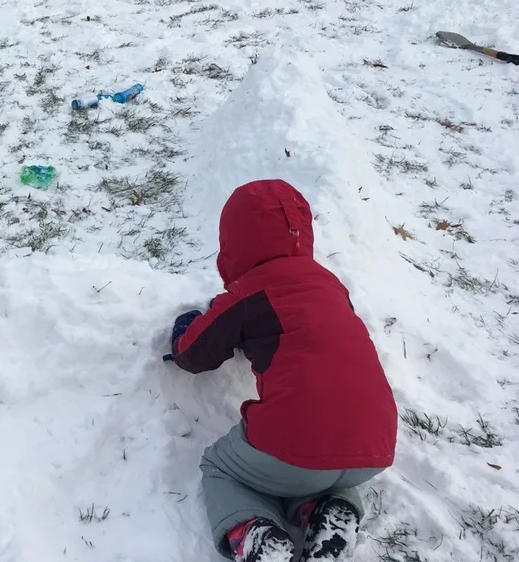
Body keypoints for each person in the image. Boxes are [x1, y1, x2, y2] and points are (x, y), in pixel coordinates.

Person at [165, 179, 397, 562]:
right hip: (374, 446)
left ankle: (254, 533)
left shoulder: (247, 294)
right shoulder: (331, 285)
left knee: (221, 467)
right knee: (319, 466)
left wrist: (183, 327)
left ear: (234, 243)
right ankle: (327, 510)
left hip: (295, 443)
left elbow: (193, 355)